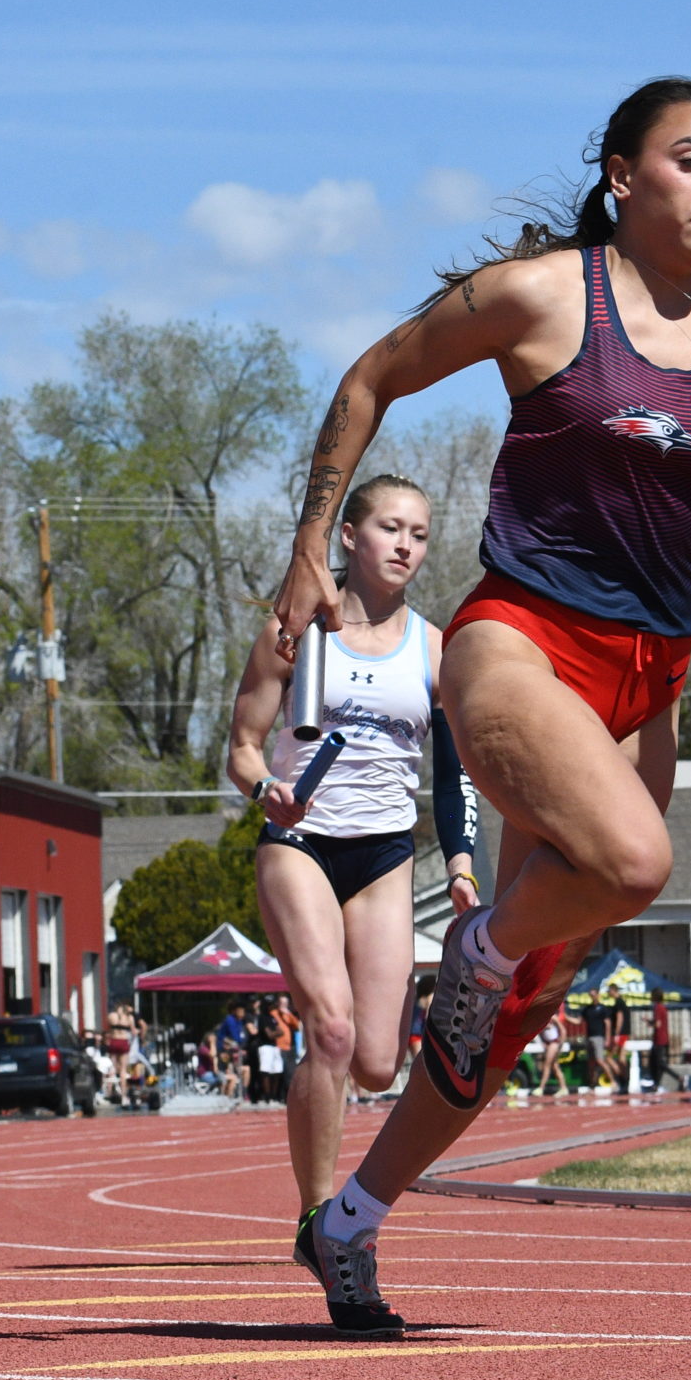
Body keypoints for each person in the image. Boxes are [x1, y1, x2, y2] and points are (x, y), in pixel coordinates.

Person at [271, 78, 691, 1332]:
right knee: (632, 861)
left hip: (646, 683)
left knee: (524, 1007)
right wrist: (304, 549)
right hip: (520, 647)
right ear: (621, 175)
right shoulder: (546, 295)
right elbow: (370, 376)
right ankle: (478, 947)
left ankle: (350, 1221)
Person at [229, 470, 481, 1206]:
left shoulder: (435, 649)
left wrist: (462, 861)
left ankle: (327, 1193)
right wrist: (262, 790)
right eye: (390, 528)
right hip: (299, 843)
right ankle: (317, 1216)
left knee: (376, 1062)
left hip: (384, 857)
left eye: (420, 534)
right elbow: (243, 746)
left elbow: (453, 770)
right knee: (330, 1031)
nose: (406, 544)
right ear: (348, 536)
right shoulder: (296, 630)